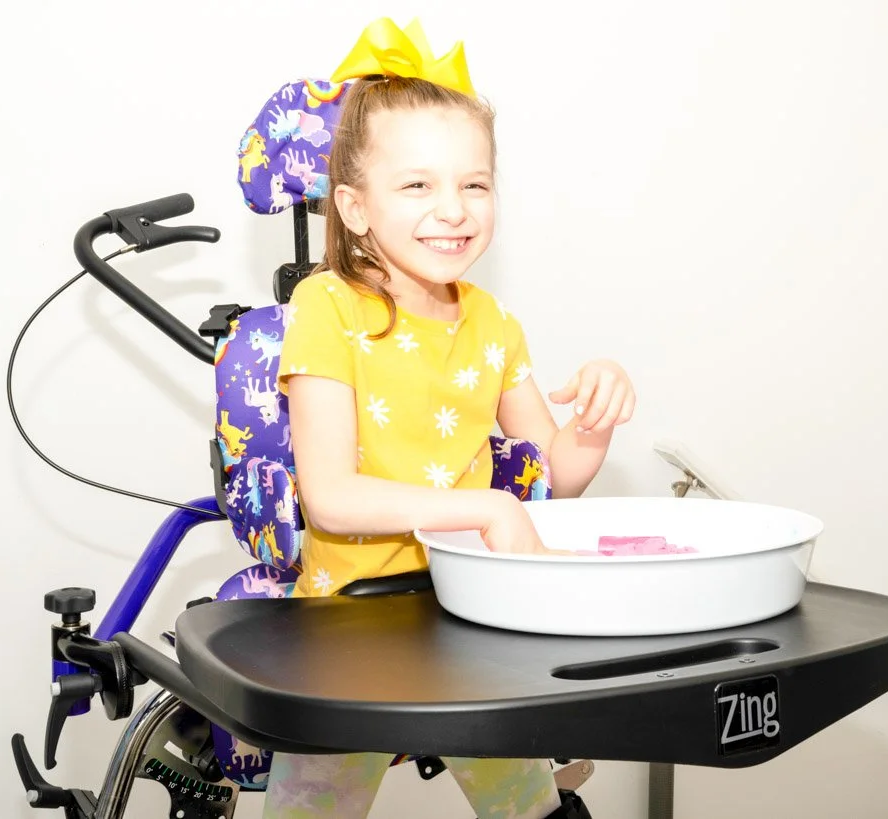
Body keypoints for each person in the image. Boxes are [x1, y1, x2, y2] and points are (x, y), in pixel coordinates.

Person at [267, 47, 635, 819]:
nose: (455, 209)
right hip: (349, 627)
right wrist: (487, 507)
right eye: (418, 185)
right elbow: (330, 497)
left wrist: (593, 420)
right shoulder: (326, 307)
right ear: (355, 208)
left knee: (532, 807)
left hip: (470, 615)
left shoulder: (492, 323)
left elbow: (554, 474)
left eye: (475, 184)